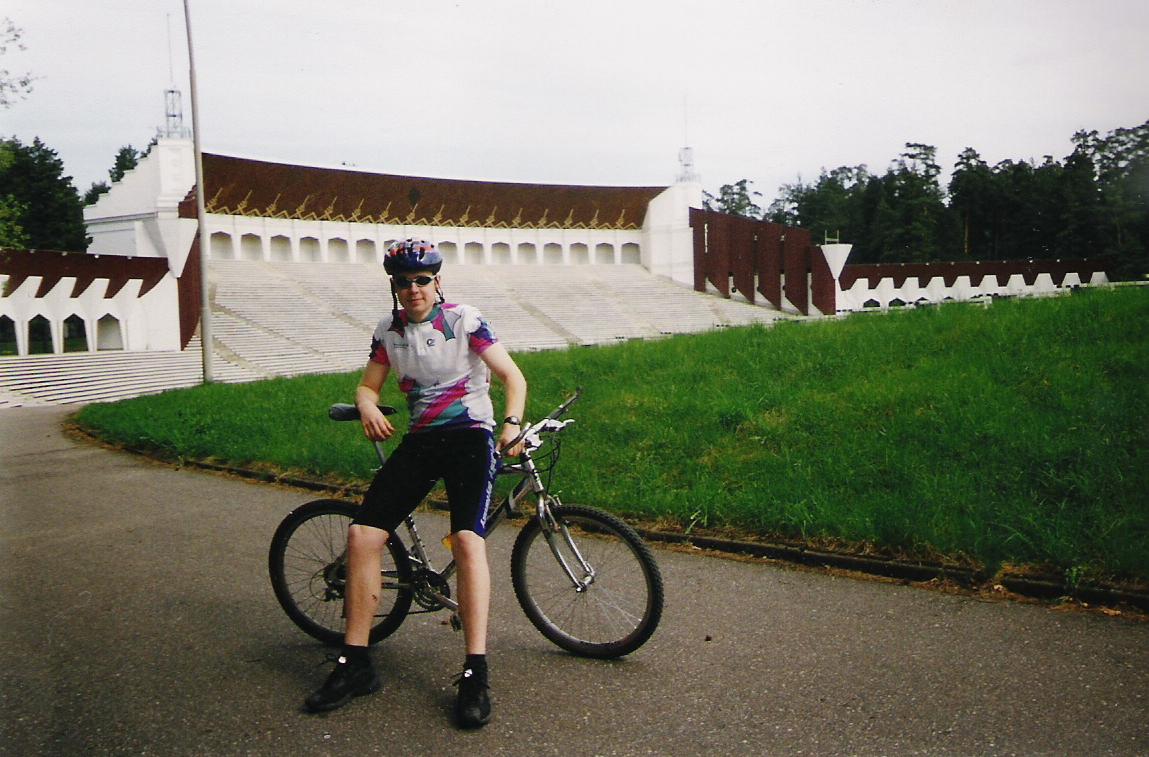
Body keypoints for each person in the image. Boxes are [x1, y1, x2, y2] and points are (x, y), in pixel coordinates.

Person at [304, 238, 527, 728]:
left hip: (470, 436)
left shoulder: (465, 320)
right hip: (423, 439)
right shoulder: (389, 330)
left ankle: (475, 673)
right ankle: (355, 663)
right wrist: (366, 405)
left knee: (467, 541)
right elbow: (369, 384)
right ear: (395, 286)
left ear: (437, 282)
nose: (413, 289)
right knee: (362, 535)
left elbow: (514, 378)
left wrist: (511, 424)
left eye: (422, 280)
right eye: (403, 282)